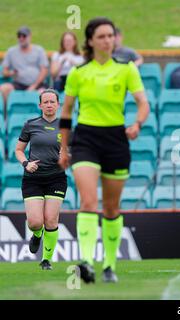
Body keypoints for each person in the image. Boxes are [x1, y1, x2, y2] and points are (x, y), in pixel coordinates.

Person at [58, 17, 150, 283]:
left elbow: (143, 103)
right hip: (85, 138)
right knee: (88, 201)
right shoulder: (78, 72)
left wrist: (137, 124)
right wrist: (64, 149)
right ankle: (86, 261)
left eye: (110, 35)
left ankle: (109, 266)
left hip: (116, 140)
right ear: (90, 41)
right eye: (101, 36)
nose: (107, 40)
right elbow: (65, 113)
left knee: (111, 208)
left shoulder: (127, 68)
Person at [15, 89, 67, 270]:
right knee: (35, 222)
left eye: (52, 101)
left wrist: (66, 154)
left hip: (56, 178)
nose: (49, 105)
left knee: (51, 220)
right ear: (40, 105)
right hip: (33, 179)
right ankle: (37, 235)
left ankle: (46, 260)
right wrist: (26, 164)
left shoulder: (66, 126)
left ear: (58, 104)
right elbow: (18, 150)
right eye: (46, 102)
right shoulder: (30, 125)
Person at [0, 26, 49, 106]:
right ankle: (5, 115)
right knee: (3, 88)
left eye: (24, 36)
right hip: (19, 83)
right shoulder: (11, 51)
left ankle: (42, 117)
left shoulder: (39, 50)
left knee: (44, 94)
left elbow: (44, 70)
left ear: (30, 36)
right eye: (19, 36)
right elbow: (4, 71)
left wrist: (34, 86)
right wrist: (11, 73)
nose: (21, 38)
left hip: (38, 84)